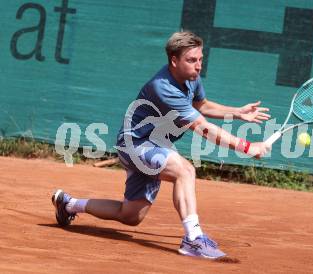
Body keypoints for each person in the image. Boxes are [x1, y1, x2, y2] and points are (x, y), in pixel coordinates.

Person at [52, 31, 272, 259]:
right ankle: (193, 240)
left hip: (154, 145)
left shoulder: (190, 78)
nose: (198, 66)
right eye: (191, 60)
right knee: (184, 171)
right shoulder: (163, 87)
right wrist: (248, 147)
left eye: (200, 59)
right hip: (135, 144)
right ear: (173, 61)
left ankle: (68, 204)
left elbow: (202, 105)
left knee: (130, 216)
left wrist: (236, 112)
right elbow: (202, 127)